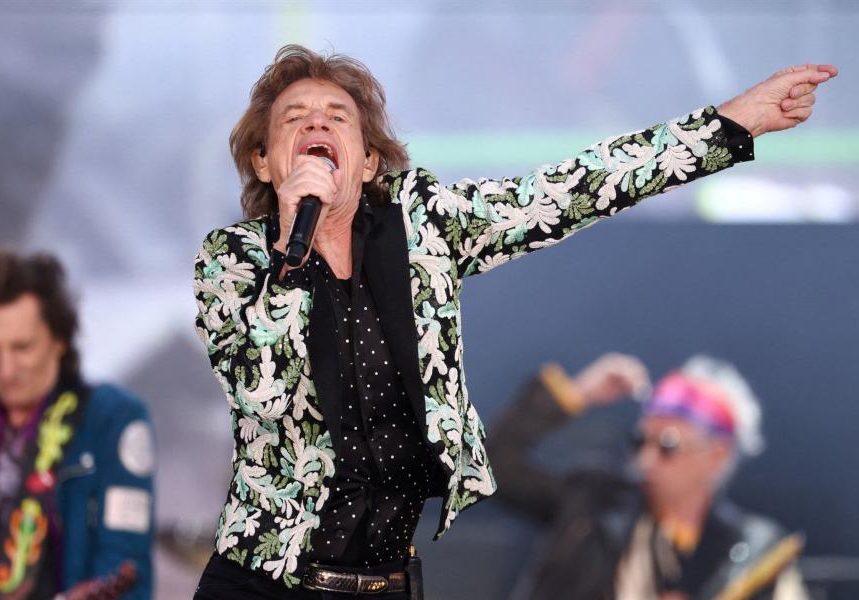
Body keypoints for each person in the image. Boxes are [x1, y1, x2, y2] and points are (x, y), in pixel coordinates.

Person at [192, 44, 836, 598]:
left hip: (385, 580)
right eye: (294, 119)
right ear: (264, 162)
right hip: (262, 580)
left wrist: (731, 124)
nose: (317, 123)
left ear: (367, 162)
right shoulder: (233, 261)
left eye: (338, 116)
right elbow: (264, 388)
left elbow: (573, 188)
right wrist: (290, 245)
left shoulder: (425, 228)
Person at [0, 251, 155, 600]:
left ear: (59, 340)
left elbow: (125, 565)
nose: (4, 369)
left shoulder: (114, 418)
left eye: (21, 347)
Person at [488, 354, 809, 600]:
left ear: (717, 455)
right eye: (640, 441)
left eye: (668, 445)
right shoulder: (593, 500)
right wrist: (577, 392)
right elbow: (492, 466)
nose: (646, 458)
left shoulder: (752, 549)